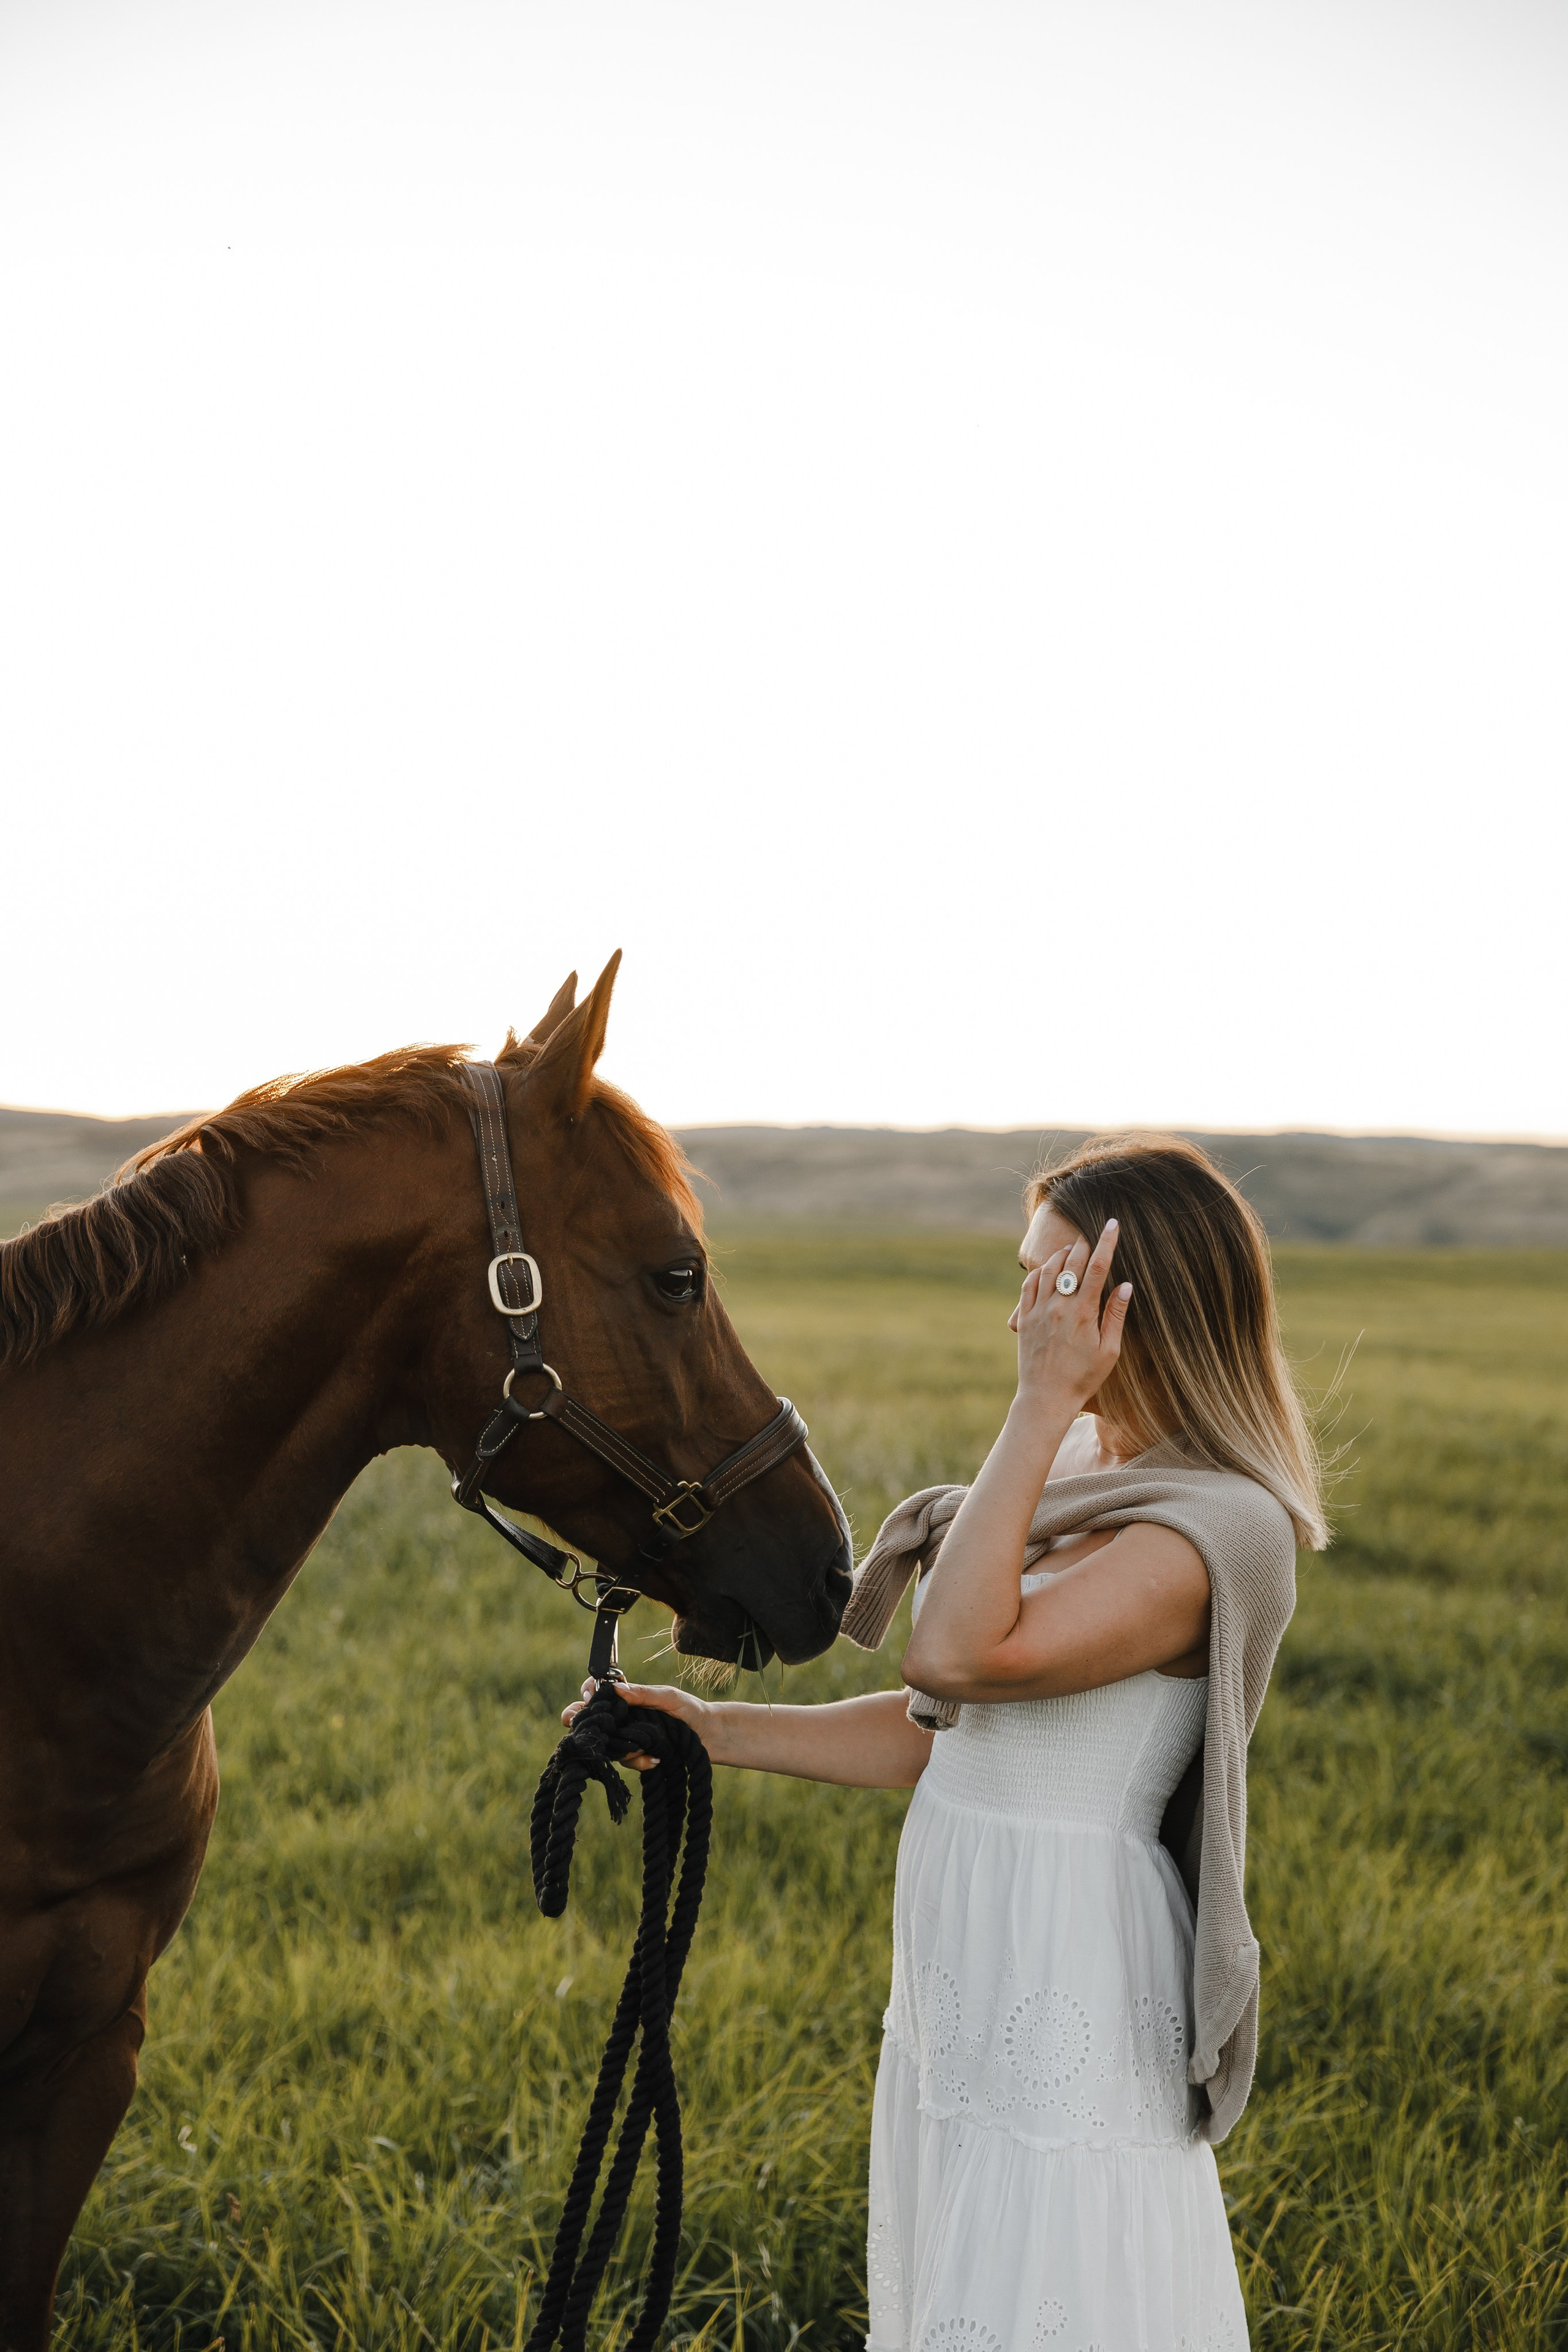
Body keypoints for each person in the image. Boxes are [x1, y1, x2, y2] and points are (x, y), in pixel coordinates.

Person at [565, 1137, 1327, 2351]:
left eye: (1054, 1287)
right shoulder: (1079, 1469)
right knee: (963, 2232)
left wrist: (1036, 1406)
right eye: (1024, 1280)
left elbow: (958, 1656)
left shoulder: (1214, 1531)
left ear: (1140, 1306)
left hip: (1066, 1943)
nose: (1021, 1318)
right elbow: (944, 1737)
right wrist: (710, 1731)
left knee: (1052, 2242)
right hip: (967, 1935)